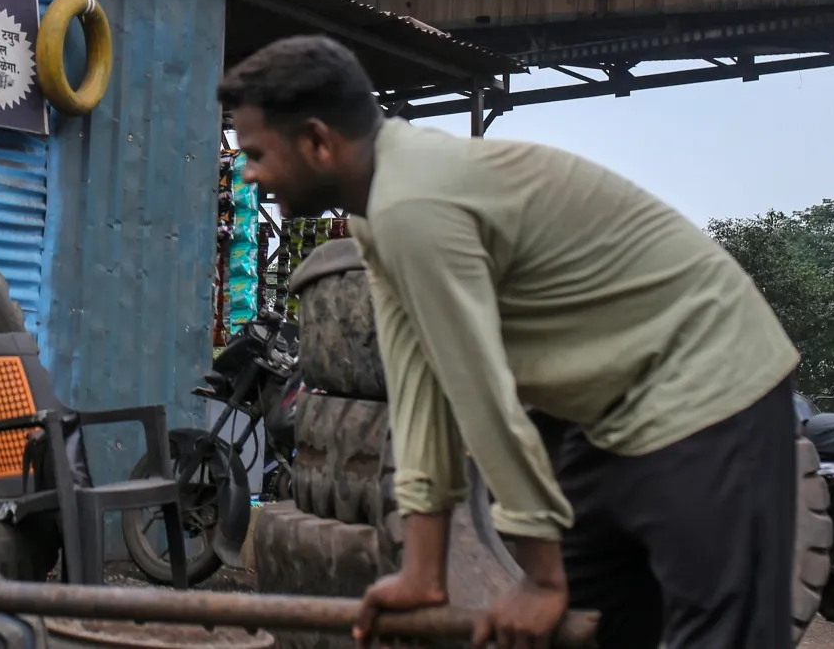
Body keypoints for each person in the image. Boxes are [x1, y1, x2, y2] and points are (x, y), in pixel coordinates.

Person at [220, 36, 799, 649]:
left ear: (317, 141)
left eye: (256, 153)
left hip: (709, 389)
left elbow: (482, 397)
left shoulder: (415, 204)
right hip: (603, 413)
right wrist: (422, 573)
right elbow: (417, 387)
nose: (249, 172)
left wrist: (543, 581)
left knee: (719, 634)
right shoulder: (377, 209)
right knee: (594, 630)